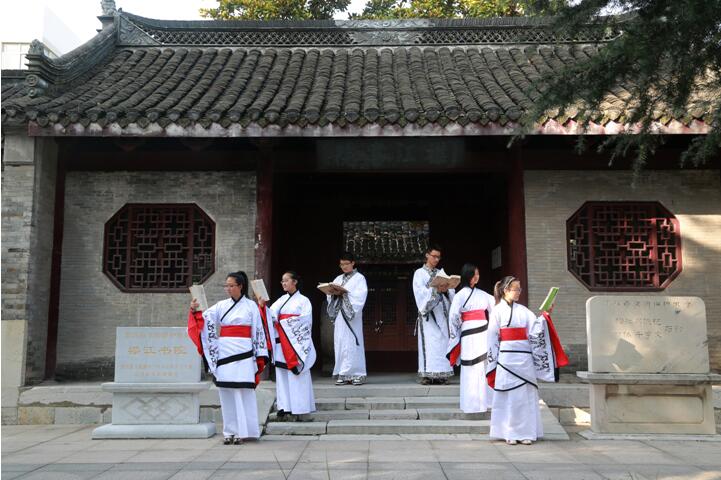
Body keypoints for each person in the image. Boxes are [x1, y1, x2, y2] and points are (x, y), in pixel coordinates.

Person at [486, 276, 569, 445]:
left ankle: (526, 433)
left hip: (524, 358)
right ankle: (509, 432)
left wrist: (546, 315)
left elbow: (535, 330)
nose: (518, 292)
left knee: (525, 397)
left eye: (520, 289)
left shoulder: (524, 311)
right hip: (506, 357)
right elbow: (492, 337)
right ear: (505, 290)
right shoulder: (497, 311)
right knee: (509, 397)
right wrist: (492, 361)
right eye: (516, 289)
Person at [188, 271, 268, 445]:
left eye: (231, 285)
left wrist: (258, 355)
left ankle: (243, 431)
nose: (228, 289)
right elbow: (205, 319)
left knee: (242, 392)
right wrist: (195, 309)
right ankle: (229, 431)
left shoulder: (251, 306)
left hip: (245, 352)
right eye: (227, 286)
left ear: (240, 286)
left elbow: (259, 329)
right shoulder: (221, 305)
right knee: (226, 392)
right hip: (225, 351)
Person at [266, 271, 316, 419]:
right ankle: (285, 406)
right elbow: (271, 315)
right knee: (282, 374)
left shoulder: (304, 301)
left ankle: (300, 406)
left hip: (296, 343)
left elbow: (306, 321)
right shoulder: (281, 300)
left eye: (286, 280)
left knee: (297, 375)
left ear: (295, 282)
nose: (283, 283)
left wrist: (285, 323)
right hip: (282, 342)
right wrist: (263, 308)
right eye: (282, 281)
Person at [446, 263, 495, 413]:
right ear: (468, 276)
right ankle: (471, 404)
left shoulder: (483, 294)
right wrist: (457, 333)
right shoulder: (460, 295)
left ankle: (487, 402)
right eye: (474, 274)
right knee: (470, 367)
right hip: (468, 334)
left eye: (478, 274)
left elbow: (496, 308)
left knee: (485, 365)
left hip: (484, 333)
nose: (477, 277)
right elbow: (453, 316)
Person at [412, 244, 455, 385]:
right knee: (430, 345)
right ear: (427, 255)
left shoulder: (441, 273)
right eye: (434, 256)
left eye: (438, 257)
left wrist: (446, 290)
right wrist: (435, 290)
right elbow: (420, 293)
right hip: (428, 318)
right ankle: (427, 374)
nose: (436, 259)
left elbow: (451, 293)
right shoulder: (419, 273)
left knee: (442, 344)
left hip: (441, 315)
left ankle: (443, 374)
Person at [327, 252, 368, 386]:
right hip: (340, 315)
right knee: (340, 342)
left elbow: (359, 297)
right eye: (341, 264)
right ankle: (343, 373)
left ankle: (357, 373)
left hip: (351, 317)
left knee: (352, 342)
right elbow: (330, 296)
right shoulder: (338, 278)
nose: (344, 266)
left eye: (346, 264)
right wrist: (332, 293)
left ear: (353, 263)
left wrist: (344, 294)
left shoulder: (359, 278)